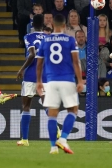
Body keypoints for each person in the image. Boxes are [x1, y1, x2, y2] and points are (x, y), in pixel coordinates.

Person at [36, 14, 84, 154]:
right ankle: (62, 139)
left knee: (52, 114)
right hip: (67, 80)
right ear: (64, 25)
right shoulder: (70, 40)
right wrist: (80, 80)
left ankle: (52, 148)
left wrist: (39, 81)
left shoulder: (45, 40)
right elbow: (76, 62)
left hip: (50, 81)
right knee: (73, 110)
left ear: (52, 25)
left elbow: (39, 64)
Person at [16, 14, 51, 146]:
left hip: (30, 74)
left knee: (26, 106)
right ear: (43, 25)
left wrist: (21, 69)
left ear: (32, 24)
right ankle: (56, 130)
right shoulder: (49, 38)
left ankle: (25, 139)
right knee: (46, 104)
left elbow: (32, 54)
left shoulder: (28, 36)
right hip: (45, 75)